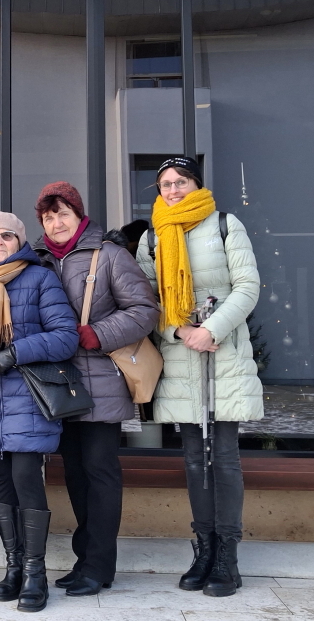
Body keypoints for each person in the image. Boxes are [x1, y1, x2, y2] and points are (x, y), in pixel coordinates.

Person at [136, 156, 263, 597]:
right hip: (180, 358)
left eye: (181, 182)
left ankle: (227, 556)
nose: (173, 190)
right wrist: (180, 331)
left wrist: (211, 329)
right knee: (194, 458)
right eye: (165, 184)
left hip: (222, 355)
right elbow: (146, 301)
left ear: (196, 184)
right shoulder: (152, 237)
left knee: (223, 456)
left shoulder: (225, 225)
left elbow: (247, 286)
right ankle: (204, 549)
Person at [32, 182, 159, 596]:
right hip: (58, 383)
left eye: (62, 213)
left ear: (79, 214)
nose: (56, 222)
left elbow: (144, 310)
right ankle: (86, 560)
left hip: (101, 380)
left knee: (100, 473)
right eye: (48, 216)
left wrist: (98, 334)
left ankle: (100, 564)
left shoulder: (110, 255)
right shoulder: (37, 258)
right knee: (75, 474)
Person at [0, 211, 77, 613]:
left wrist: (14, 352)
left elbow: (65, 337)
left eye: (6, 236)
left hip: (27, 399)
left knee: (27, 480)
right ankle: (13, 566)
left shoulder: (40, 278)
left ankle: (34, 572)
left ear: (20, 241)